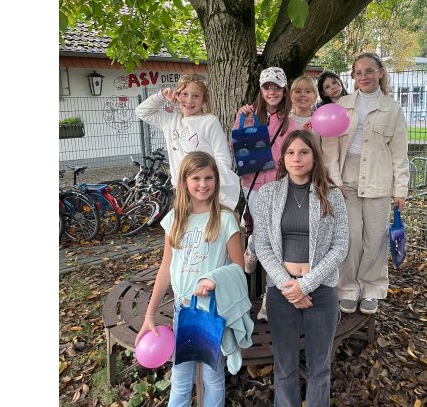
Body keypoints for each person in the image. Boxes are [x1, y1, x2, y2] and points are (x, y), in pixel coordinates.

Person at [136, 151, 245, 407]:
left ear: (216, 181)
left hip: (210, 311)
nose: (203, 184)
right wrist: (149, 314)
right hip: (181, 309)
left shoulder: (226, 220)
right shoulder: (174, 220)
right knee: (181, 378)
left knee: (212, 377)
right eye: (196, 178)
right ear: (184, 181)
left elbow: (240, 268)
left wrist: (215, 279)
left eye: (209, 178)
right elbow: (166, 268)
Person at [253, 129, 348, 407]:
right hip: (281, 292)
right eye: (291, 152)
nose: (297, 158)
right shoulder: (268, 194)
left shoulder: (331, 194)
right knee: (284, 367)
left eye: (304, 152)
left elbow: (340, 246)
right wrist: (289, 286)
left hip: (320, 291)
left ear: (314, 157)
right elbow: (263, 245)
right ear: (283, 158)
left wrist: (304, 285)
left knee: (320, 367)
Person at [320, 53, 409, 316]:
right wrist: (334, 179)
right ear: (353, 77)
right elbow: (330, 147)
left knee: (374, 237)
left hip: (378, 178)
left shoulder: (392, 109)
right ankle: (347, 288)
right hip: (346, 178)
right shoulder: (343, 104)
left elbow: (399, 152)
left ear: (380, 72)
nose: (364, 77)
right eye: (358, 73)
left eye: (369, 71)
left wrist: (400, 189)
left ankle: (371, 288)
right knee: (349, 237)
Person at [232, 66, 296, 321]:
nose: (272, 92)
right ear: (261, 89)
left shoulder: (290, 119)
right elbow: (235, 148)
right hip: (254, 184)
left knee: (275, 240)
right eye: (267, 87)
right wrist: (240, 121)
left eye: (277, 87)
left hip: (281, 185)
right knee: (266, 235)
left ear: (284, 90)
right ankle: (253, 247)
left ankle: (270, 299)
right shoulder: (247, 116)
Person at [136, 73, 241, 210]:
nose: (189, 100)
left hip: (204, 191)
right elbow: (142, 111)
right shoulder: (170, 121)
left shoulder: (209, 122)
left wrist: (211, 187)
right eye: (184, 94)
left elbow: (222, 159)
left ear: (204, 99)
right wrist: (162, 96)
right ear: (177, 96)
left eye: (196, 95)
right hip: (181, 190)